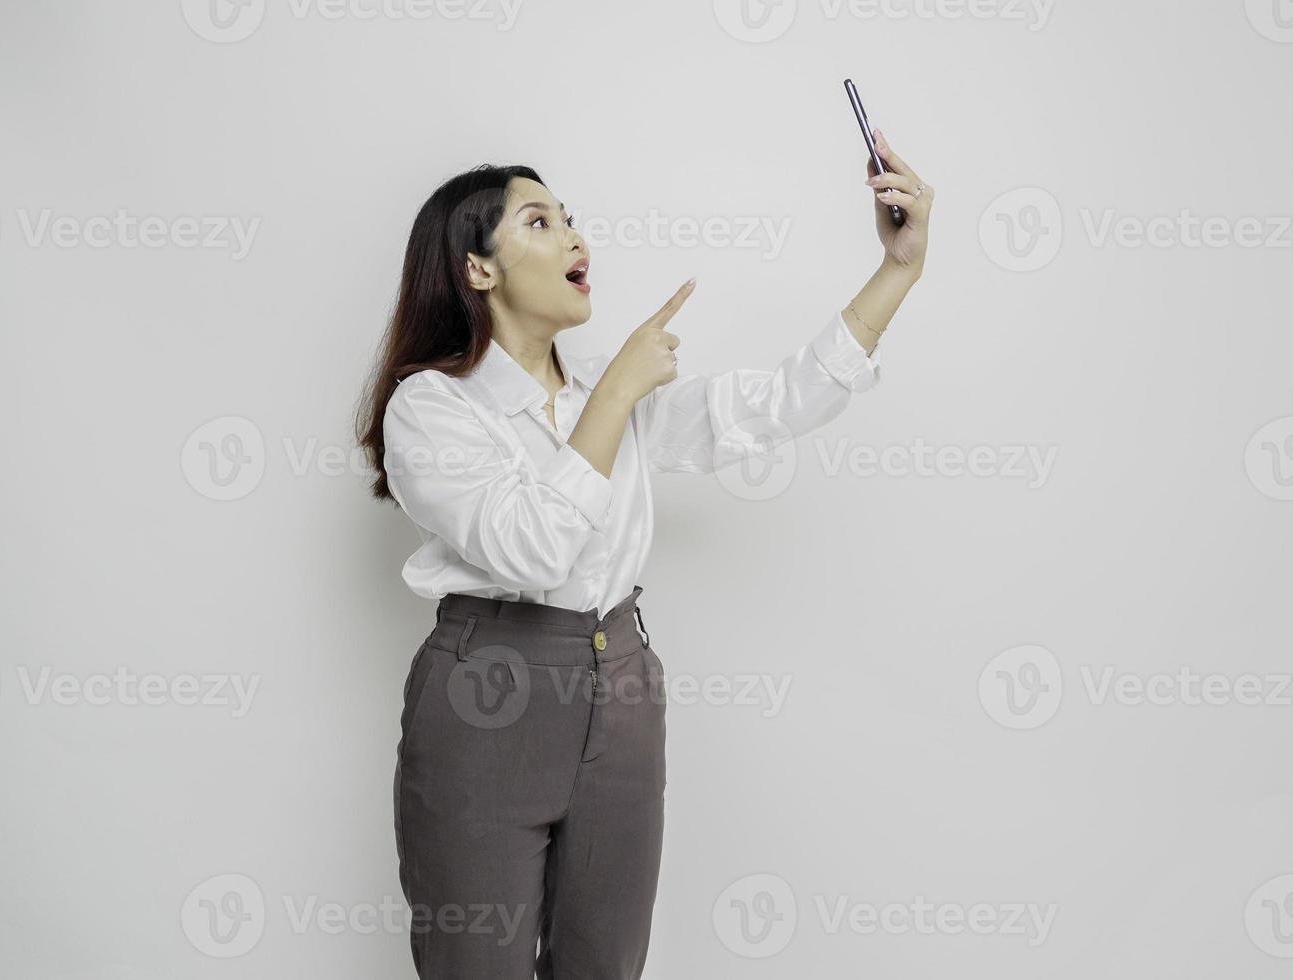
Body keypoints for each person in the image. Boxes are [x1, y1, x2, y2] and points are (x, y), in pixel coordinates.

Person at [355, 137, 933, 979]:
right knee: (475, 965)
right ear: (477, 269)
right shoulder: (431, 408)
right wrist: (621, 389)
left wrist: (898, 270)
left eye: (572, 219)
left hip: (620, 685)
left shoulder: (604, 389)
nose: (575, 238)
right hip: (486, 694)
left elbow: (776, 403)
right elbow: (533, 546)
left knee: (607, 963)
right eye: (540, 222)